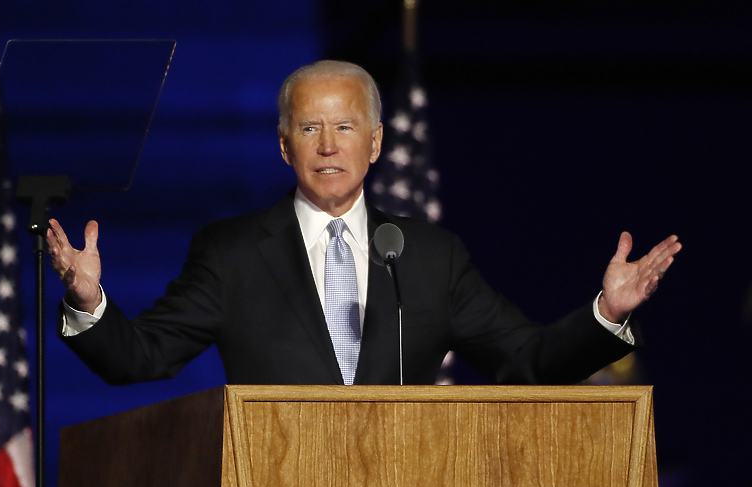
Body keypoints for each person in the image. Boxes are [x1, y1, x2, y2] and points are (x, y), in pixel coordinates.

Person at [46, 60, 681, 386]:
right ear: (283, 145)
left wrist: (607, 313)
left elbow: (528, 359)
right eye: (310, 129)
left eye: (344, 128)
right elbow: (141, 358)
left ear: (375, 143)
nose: (328, 146)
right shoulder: (232, 252)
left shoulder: (430, 255)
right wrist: (90, 301)